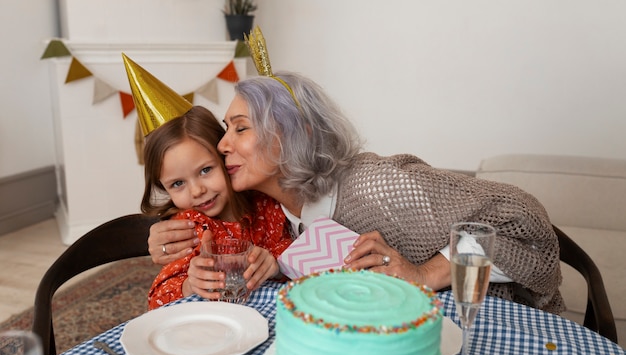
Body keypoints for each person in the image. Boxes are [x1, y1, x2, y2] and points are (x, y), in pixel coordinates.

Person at [147, 28, 564, 314]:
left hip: (500, 334)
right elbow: (207, 218)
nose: (222, 145)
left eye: (240, 128)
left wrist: (425, 273)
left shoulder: (376, 186)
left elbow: (522, 220)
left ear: (296, 135)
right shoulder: (274, 211)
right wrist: (155, 236)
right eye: (225, 130)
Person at [123, 54, 292, 310]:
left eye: (205, 170)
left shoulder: (265, 204)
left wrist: (275, 261)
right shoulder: (189, 230)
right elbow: (156, 299)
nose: (197, 190)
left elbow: (293, 246)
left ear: (224, 152)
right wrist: (190, 285)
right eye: (177, 184)